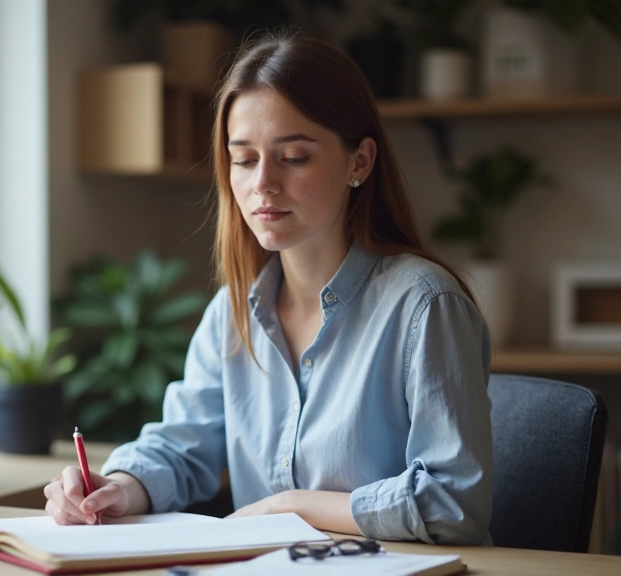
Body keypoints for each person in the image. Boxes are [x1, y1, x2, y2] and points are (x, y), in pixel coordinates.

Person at [44, 30, 493, 545]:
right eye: (244, 158)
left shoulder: (425, 307)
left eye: (294, 157)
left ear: (359, 162)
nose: (263, 183)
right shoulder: (233, 311)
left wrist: (291, 507)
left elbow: (454, 505)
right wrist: (116, 487)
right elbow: (183, 448)